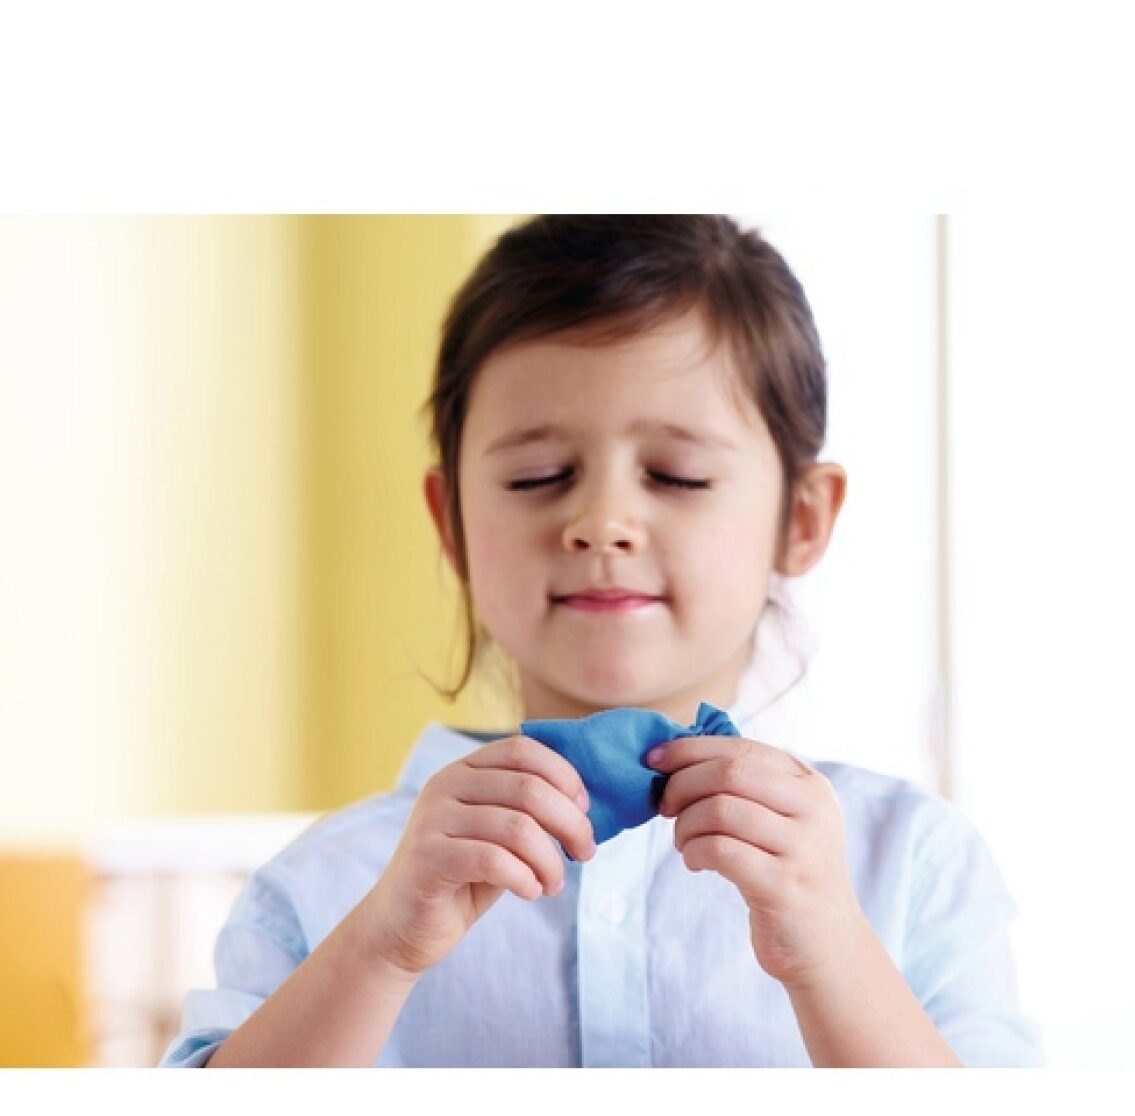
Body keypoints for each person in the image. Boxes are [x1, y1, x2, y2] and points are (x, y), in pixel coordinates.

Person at [160, 214, 1044, 1068]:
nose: (602, 521)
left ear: (802, 518)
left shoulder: (914, 866)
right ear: (452, 521)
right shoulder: (328, 888)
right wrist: (380, 951)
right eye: (538, 476)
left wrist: (834, 955)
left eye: (678, 476)